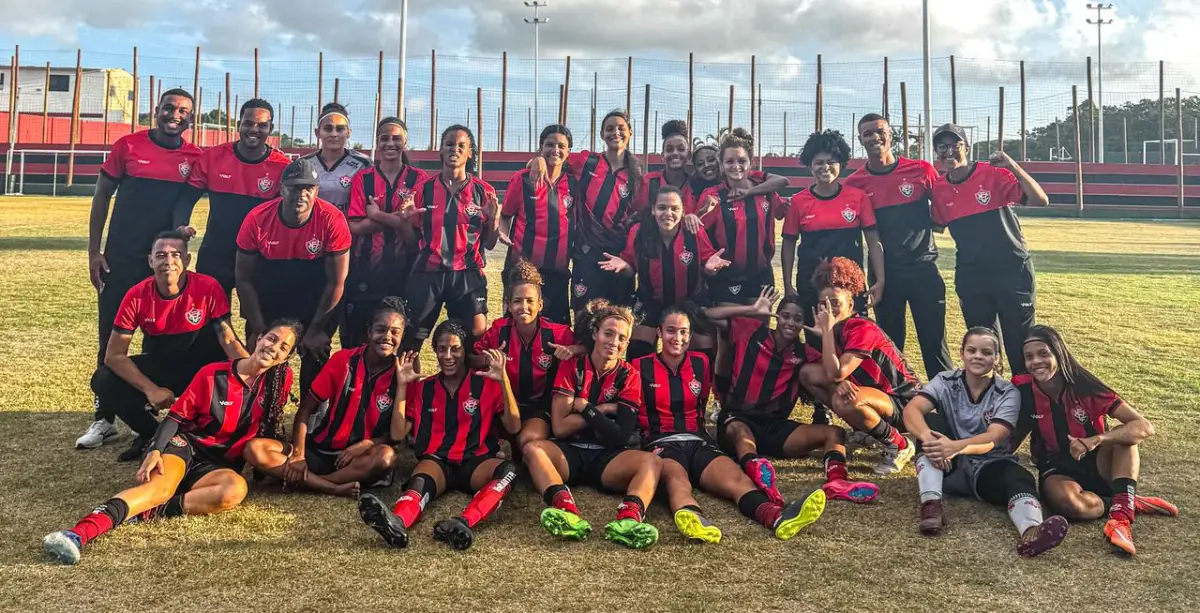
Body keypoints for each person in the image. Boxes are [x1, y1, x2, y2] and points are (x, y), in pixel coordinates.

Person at [43, 321, 300, 565]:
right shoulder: (213, 373)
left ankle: (146, 512)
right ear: (258, 339)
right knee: (160, 490)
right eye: (271, 338)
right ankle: (77, 533)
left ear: (286, 357)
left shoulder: (280, 381)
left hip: (217, 466)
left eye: (283, 347)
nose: (273, 347)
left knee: (234, 490)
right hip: (184, 446)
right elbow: (175, 416)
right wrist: (155, 448)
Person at [633, 306, 827, 544]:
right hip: (663, 442)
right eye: (671, 331)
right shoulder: (639, 366)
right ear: (659, 333)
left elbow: (707, 398)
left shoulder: (701, 362)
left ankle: (776, 517)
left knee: (738, 480)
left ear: (690, 335)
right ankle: (694, 518)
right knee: (677, 481)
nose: (678, 338)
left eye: (684, 332)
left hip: (699, 441)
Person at [81, 88, 202, 450]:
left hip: (166, 263)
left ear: (191, 119)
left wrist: (181, 228)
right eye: (169, 108)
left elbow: (185, 204)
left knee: (159, 337)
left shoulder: (195, 157)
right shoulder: (128, 146)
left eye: (183, 111)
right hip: (121, 257)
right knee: (111, 336)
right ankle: (104, 418)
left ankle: (146, 419)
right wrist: (94, 252)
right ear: (156, 110)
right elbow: (101, 195)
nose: (174, 115)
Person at [902, 327, 1069, 557]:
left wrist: (955, 446)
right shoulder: (945, 380)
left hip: (988, 467)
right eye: (971, 350)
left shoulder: (1008, 392)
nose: (978, 356)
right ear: (961, 354)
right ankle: (931, 505)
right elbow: (912, 410)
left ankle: (1031, 532)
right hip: (948, 466)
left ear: (997, 358)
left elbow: (994, 437)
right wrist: (932, 441)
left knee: (1021, 478)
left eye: (986, 352)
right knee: (930, 424)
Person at [706, 287, 880, 507]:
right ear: (776, 317)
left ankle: (838, 481)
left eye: (798, 319)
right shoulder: (750, 331)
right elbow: (705, 315)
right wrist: (751, 309)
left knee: (834, 432)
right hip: (737, 418)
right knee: (741, 432)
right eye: (785, 316)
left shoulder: (804, 352)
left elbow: (829, 370)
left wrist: (839, 379)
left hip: (775, 428)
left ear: (803, 324)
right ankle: (755, 471)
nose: (790, 322)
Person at [1013, 325, 1178, 556]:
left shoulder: (1084, 384)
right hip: (1057, 466)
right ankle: (1124, 499)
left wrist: (1096, 439)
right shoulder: (1021, 388)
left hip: (1099, 459)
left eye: (1044, 353)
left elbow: (1143, 426)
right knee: (1071, 507)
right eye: (1029, 357)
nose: (1036, 362)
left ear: (1059, 353)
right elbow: (1012, 431)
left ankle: (1120, 520)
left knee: (1125, 437)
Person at [357, 321, 522, 551]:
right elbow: (397, 433)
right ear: (434, 350)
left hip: (476, 462)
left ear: (465, 351)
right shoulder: (425, 388)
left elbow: (514, 427)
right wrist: (403, 386)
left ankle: (463, 522)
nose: (448, 355)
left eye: (455, 349)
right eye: (441, 349)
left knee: (509, 471)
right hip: (437, 462)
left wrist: (503, 379)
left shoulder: (485, 383)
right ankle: (396, 522)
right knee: (420, 482)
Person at [91, 230, 248, 462]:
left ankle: (197, 436)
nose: (169, 261)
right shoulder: (136, 295)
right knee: (103, 379)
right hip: (163, 362)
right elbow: (114, 356)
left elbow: (228, 341)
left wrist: (253, 372)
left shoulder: (208, 287)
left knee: (224, 412)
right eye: (161, 255)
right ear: (150, 261)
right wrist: (150, 389)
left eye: (176, 255)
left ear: (187, 260)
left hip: (203, 369)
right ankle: (153, 435)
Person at [522, 300, 664, 549]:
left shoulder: (630, 376)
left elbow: (620, 437)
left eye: (622, 338)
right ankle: (565, 509)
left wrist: (587, 408)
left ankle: (629, 518)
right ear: (595, 333)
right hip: (570, 453)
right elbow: (560, 428)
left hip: (607, 459)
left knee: (652, 462)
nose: (614, 342)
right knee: (532, 449)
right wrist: (605, 410)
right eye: (608, 333)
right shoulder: (572, 365)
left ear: (627, 344)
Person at [243, 297, 410, 497]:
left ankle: (306, 481)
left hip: (359, 459)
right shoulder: (343, 360)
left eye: (395, 332)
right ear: (369, 332)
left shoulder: (405, 374)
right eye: (381, 329)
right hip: (320, 450)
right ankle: (330, 486)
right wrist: (299, 454)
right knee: (254, 449)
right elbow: (306, 409)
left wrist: (367, 444)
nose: (387, 336)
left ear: (402, 336)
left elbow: (396, 436)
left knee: (385, 457)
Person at [930, 123, 1049, 376]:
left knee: (1020, 343)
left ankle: (1027, 407)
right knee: (982, 347)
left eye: (955, 145)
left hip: (1012, 270)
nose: (949, 151)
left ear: (967, 147)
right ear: (936, 153)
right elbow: (935, 226)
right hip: (973, 276)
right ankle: (991, 403)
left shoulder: (993, 173)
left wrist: (1013, 167)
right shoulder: (939, 189)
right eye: (942, 147)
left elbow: (1040, 199)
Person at [845, 113, 952, 379]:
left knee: (934, 342)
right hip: (885, 275)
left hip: (923, 270)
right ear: (860, 140)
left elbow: (945, 207)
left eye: (879, 131)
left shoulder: (921, 170)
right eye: (867, 133)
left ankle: (949, 405)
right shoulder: (855, 183)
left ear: (891, 135)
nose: (874, 137)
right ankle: (900, 404)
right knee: (890, 344)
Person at [234, 157, 351, 396]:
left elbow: (336, 281)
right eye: (294, 187)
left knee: (314, 357)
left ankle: (311, 423)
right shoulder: (257, 219)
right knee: (263, 357)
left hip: (315, 296)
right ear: (281, 188)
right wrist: (258, 327)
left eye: (308, 188)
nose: (302, 194)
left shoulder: (332, 219)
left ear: (317, 190)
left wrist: (317, 329)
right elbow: (244, 279)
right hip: (272, 292)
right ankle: (259, 418)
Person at [798, 257, 921, 475]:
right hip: (878, 398)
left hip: (907, 403)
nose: (829, 309)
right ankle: (866, 428)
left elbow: (836, 372)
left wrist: (826, 333)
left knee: (846, 399)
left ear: (851, 305)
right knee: (808, 374)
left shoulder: (861, 327)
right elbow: (826, 374)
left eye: (835, 303)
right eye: (823, 304)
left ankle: (899, 444)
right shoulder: (836, 330)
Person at [527, 110, 642, 317]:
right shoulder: (586, 161)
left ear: (630, 133)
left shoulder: (636, 175)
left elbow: (637, 219)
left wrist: (629, 261)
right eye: (609, 128)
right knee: (584, 319)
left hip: (618, 258)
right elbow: (555, 157)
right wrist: (538, 160)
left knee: (618, 321)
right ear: (601, 134)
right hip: (586, 256)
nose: (615, 132)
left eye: (620, 128)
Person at [173, 98, 291, 295]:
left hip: (261, 256)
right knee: (212, 320)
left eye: (262, 125)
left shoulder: (283, 166)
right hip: (216, 251)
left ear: (271, 128)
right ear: (239, 125)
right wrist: (181, 224)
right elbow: (187, 198)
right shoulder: (213, 157)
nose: (254, 129)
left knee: (258, 323)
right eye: (248, 123)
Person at [396, 124, 499, 350]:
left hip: (467, 276)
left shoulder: (484, 191)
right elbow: (412, 242)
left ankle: (470, 385)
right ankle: (407, 386)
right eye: (449, 144)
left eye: (462, 146)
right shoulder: (423, 190)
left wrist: (493, 221)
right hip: (428, 274)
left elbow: (490, 244)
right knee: (411, 340)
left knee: (477, 338)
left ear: (470, 153)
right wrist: (404, 221)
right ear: (440, 151)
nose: (455, 149)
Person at [599, 186, 729, 362]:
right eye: (662, 208)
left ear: (683, 211)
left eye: (674, 208)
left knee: (703, 356)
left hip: (690, 301)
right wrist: (623, 266)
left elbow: (709, 263)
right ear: (653, 209)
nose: (668, 213)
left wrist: (710, 269)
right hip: (651, 300)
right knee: (639, 352)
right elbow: (631, 267)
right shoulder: (638, 232)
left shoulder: (693, 231)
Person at [781, 130, 884, 345]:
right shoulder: (799, 202)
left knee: (853, 341)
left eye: (831, 161)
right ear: (810, 165)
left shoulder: (858, 198)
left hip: (850, 285)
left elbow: (873, 241)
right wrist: (788, 284)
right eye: (819, 162)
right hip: (811, 285)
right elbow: (788, 244)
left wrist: (880, 280)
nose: (825, 167)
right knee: (817, 342)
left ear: (842, 164)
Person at [472, 260, 581, 451]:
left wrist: (573, 349)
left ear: (540, 305)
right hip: (505, 403)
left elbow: (588, 348)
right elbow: (470, 358)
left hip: (540, 407)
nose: (524, 306)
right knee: (481, 439)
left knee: (525, 441)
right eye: (517, 301)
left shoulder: (558, 333)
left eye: (530, 301)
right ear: (508, 304)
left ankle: (544, 441)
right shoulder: (499, 330)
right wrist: (487, 359)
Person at [344, 117, 429, 348]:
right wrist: (398, 220)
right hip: (366, 270)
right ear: (377, 142)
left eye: (396, 138)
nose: (390, 143)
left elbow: (414, 237)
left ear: (406, 142)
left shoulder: (419, 179)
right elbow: (355, 227)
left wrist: (377, 215)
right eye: (384, 138)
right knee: (357, 339)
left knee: (402, 344)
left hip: (406, 270)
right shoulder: (363, 178)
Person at [499, 124, 575, 324]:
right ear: (541, 147)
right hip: (521, 270)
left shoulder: (574, 182)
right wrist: (503, 233)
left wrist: (537, 159)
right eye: (549, 145)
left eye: (561, 146)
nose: (555, 150)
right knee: (516, 328)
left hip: (556, 272)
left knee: (557, 332)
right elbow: (506, 214)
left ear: (569, 151)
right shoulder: (523, 179)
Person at [297, 102, 371, 215]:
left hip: (349, 230)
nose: (334, 134)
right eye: (328, 129)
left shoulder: (363, 164)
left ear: (348, 132)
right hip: (313, 230)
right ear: (318, 132)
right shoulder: (303, 164)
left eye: (340, 129)